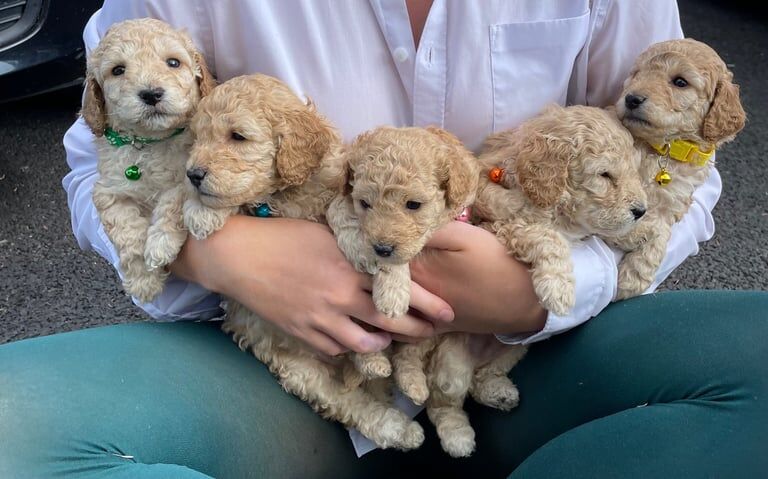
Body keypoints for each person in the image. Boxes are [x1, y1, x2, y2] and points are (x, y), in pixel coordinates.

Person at [0, 1, 765, 477]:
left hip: (532, 362)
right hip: (282, 375)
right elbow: (94, 167)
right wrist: (221, 253)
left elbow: (681, 175)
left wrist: (548, 289)